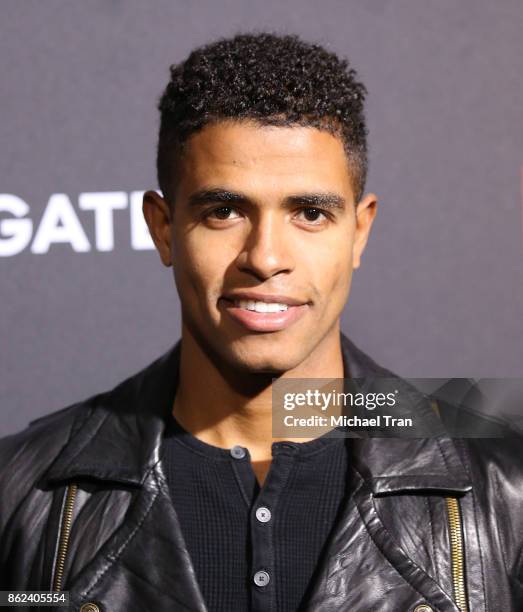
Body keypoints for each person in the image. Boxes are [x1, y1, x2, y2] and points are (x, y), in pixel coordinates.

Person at [1, 31, 522, 612]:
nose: (266, 257)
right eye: (224, 211)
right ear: (163, 228)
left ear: (360, 230)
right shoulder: (23, 493)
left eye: (309, 212)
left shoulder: (506, 486)